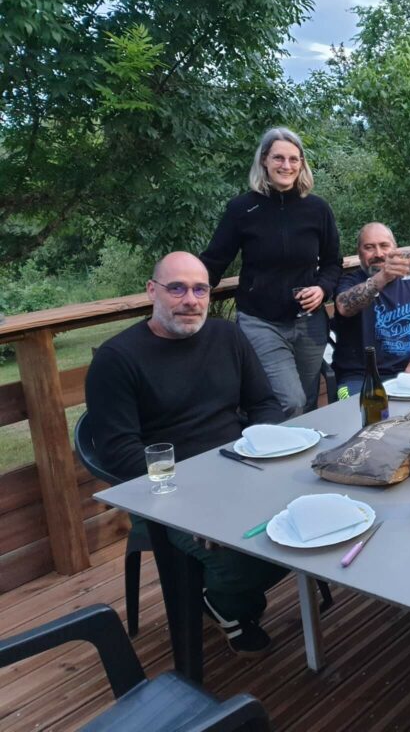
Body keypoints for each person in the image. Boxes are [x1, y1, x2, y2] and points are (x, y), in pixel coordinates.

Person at [84, 252, 289, 656]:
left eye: (200, 289)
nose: (190, 299)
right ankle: (227, 603)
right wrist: (190, 497)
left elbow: (264, 403)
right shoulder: (117, 359)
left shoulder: (226, 336)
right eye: (176, 288)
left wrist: (263, 452)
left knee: (310, 525)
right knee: (244, 560)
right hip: (168, 492)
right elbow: (119, 453)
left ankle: (224, 598)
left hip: (242, 470)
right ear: (152, 291)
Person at [200, 126, 341, 418]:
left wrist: (322, 289)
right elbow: (214, 261)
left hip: (309, 322)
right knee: (290, 401)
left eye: (293, 159)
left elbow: (332, 262)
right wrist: (183, 288)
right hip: (261, 321)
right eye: (278, 158)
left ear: (302, 163)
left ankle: (305, 460)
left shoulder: (317, 209)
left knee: (310, 399)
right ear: (264, 160)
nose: (286, 166)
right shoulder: (242, 209)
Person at [332, 223, 410, 395]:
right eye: (369, 247)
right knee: (364, 416)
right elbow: (344, 306)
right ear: (359, 253)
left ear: (395, 249)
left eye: (384, 246)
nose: (378, 254)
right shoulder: (349, 282)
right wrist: (383, 276)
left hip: (408, 373)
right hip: (359, 378)